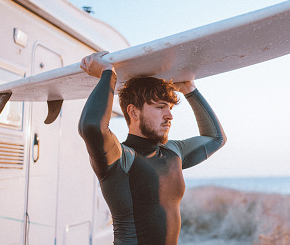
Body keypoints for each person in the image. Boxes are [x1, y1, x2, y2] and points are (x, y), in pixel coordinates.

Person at [78, 51, 226, 245]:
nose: (169, 116)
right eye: (160, 107)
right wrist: (108, 74)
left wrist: (189, 89)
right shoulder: (120, 158)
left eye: (170, 109)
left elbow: (216, 138)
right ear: (133, 111)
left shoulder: (173, 151)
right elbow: (92, 126)